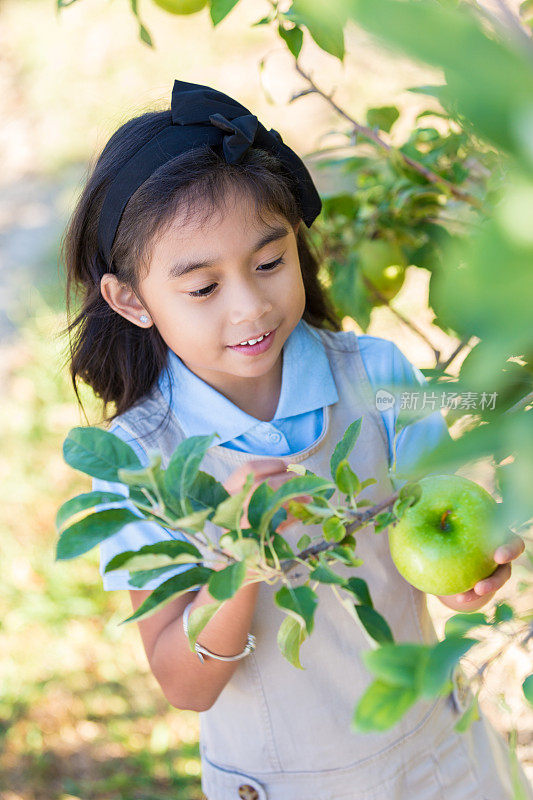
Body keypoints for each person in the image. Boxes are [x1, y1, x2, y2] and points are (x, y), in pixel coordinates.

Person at [61, 79, 530, 800]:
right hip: (283, 783)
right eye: (202, 288)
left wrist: (469, 573)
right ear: (131, 299)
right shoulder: (142, 463)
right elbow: (184, 684)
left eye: (269, 263)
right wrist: (242, 560)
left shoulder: (375, 376)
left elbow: (423, 566)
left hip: (441, 760)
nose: (249, 305)